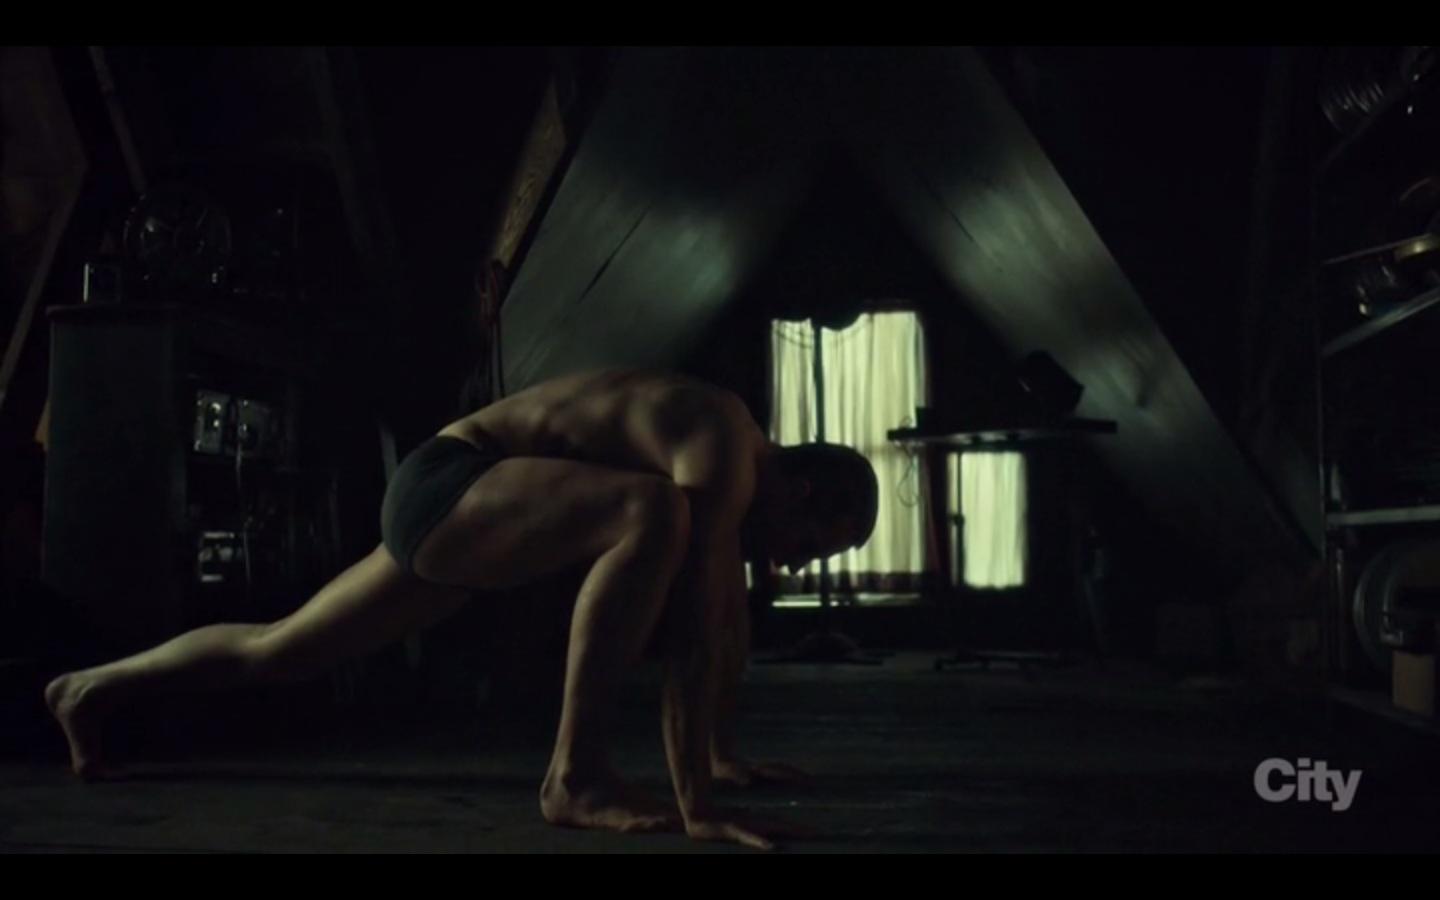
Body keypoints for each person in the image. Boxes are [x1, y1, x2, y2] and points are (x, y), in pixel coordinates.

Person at [45, 368, 879, 849]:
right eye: (815, 545)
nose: (794, 564)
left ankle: (87, 688)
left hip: (467, 514)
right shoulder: (726, 450)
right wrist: (698, 807)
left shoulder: (729, 468)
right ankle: (576, 777)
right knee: (654, 511)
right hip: (453, 482)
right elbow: (696, 632)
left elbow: (725, 619)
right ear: (806, 489)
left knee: (280, 649)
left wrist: (720, 758)